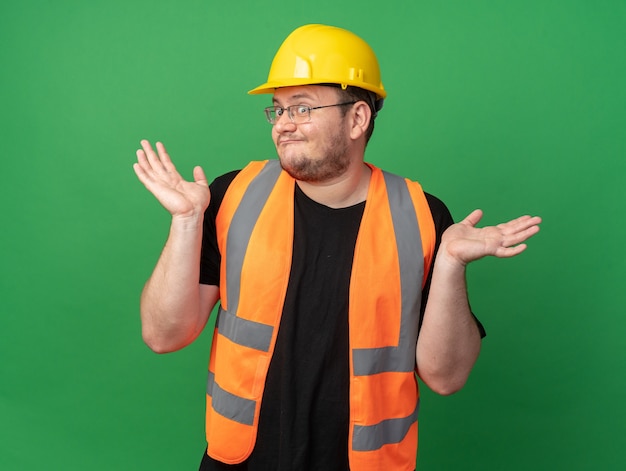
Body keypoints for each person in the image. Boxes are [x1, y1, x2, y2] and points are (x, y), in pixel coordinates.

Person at [133, 24, 541, 471]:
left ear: (358, 119)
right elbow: (163, 335)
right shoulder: (233, 196)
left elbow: (446, 377)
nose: (283, 124)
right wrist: (187, 221)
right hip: (241, 461)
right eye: (277, 110)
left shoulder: (422, 216)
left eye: (302, 108)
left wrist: (449, 265)